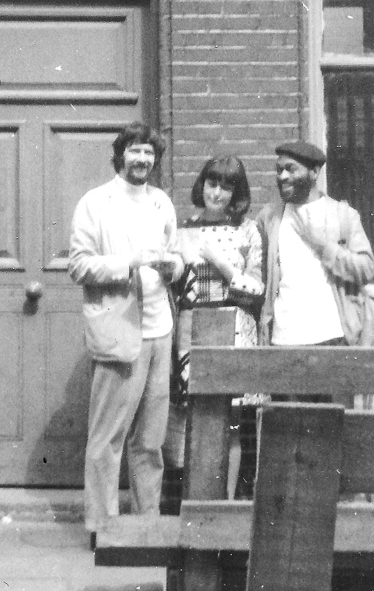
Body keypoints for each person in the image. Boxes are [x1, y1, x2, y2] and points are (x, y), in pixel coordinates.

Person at [68, 121, 184, 543]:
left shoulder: (161, 203)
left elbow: (174, 257)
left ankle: (146, 525)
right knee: (107, 439)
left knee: (150, 440)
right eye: (135, 151)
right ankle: (102, 528)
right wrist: (130, 261)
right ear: (121, 156)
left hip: (160, 330)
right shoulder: (96, 203)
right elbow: (79, 266)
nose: (142, 160)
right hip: (119, 332)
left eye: (149, 154)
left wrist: (175, 267)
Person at [170, 155, 264, 498]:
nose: (218, 193)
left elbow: (257, 289)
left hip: (234, 327)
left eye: (227, 186)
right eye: (213, 184)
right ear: (203, 185)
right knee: (194, 417)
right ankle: (195, 501)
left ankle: (223, 502)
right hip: (192, 328)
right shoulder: (183, 230)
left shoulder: (248, 230)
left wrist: (222, 264)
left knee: (233, 423)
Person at [256, 140, 374, 348]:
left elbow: (366, 269)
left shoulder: (343, 215)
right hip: (282, 340)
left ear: (314, 172)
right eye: (279, 170)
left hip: (332, 337)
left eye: (291, 169)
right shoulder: (269, 218)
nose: (282, 176)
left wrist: (323, 246)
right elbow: (260, 275)